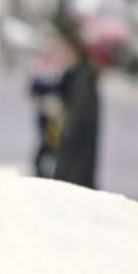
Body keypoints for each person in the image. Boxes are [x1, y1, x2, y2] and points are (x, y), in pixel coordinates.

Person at [51, 10, 100, 189]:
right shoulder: (74, 78)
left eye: (60, 46)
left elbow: (75, 130)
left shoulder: (82, 81)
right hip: (71, 173)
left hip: (74, 177)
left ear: (71, 48)